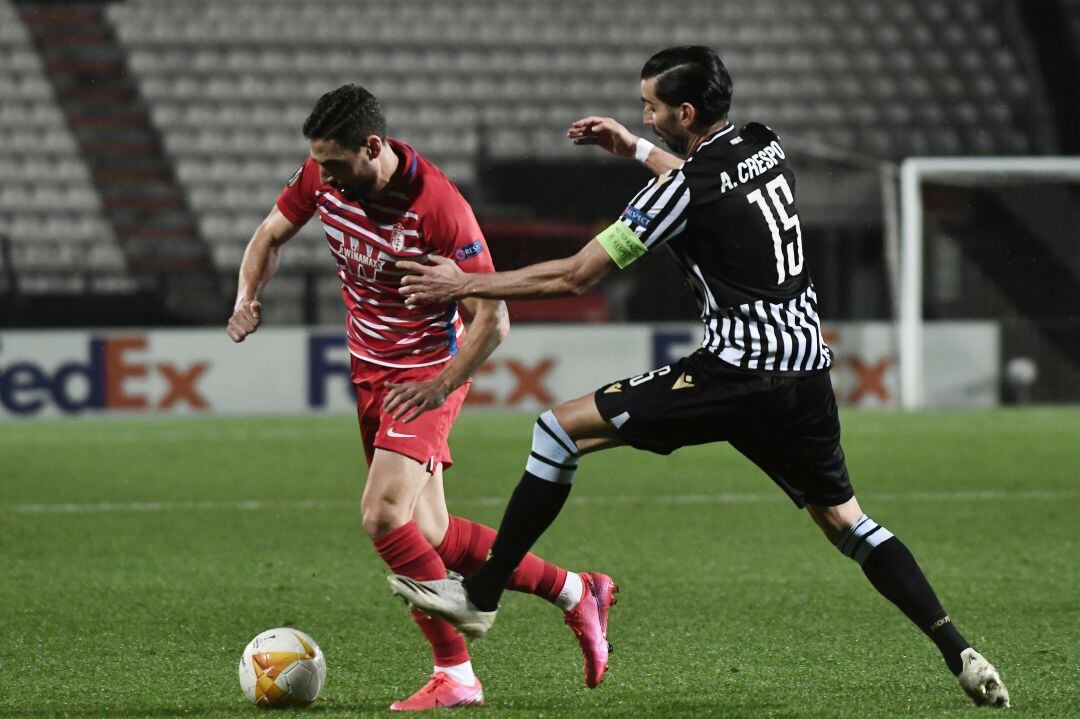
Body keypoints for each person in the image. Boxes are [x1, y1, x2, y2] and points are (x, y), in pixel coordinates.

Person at [388, 47, 1011, 709]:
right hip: (805, 372)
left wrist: (463, 282)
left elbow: (577, 274)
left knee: (557, 431)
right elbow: (707, 183)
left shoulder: (677, 192)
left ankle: (480, 596)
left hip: (737, 375)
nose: (646, 116)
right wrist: (632, 147)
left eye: (651, 107)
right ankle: (959, 649)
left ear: (685, 112)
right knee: (847, 522)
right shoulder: (762, 144)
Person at [226, 84, 618, 712]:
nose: (320, 175)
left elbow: (493, 321)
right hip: (371, 375)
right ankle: (577, 591)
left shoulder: (439, 208)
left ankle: (457, 676)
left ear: (373, 147)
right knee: (430, 533)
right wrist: (247, 298)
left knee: (383, 515)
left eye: (333, 163)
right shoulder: (322, 177)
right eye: (317, 162)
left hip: (426, 374)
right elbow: (268, 237)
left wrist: (439, 386)